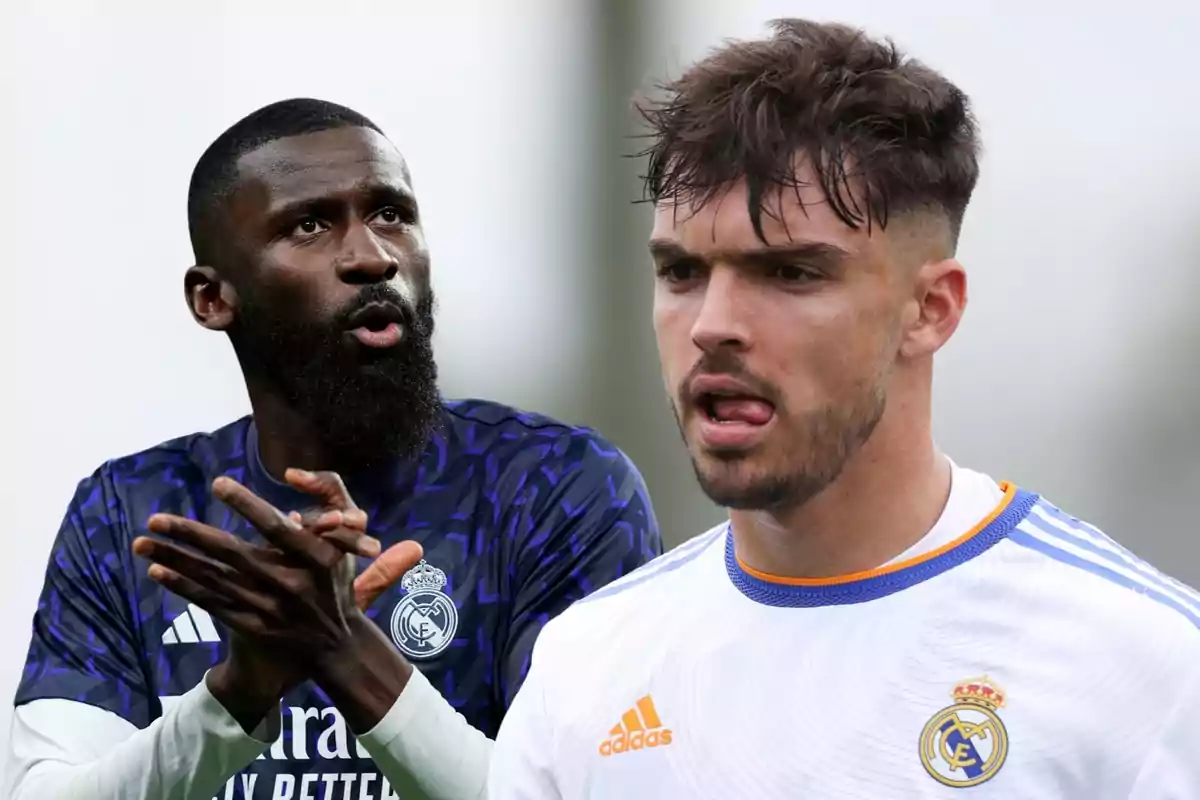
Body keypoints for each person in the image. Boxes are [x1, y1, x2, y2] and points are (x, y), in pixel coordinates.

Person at [486, 18, 1200, 799]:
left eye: (789, 273)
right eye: (683, 272)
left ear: (930, 308)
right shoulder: (585, 670)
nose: (714, 324)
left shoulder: (1145, 669)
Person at [6, 98, 662, 800]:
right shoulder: (133, 514)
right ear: (212, 298)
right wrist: (236, 696)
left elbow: (586, 791)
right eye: (310, 225)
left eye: (391, 215)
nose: (372, 257)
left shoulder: (556, 487)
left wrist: (345, 650)